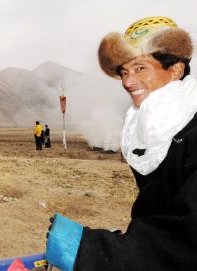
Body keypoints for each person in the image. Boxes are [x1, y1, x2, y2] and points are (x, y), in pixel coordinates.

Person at [46, 16, 197, 270]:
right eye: (124, 72)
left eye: (140, 69)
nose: (127, 82)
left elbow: (188, 240)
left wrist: (94, 249)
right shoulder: (157, 129)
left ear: (176, 70)